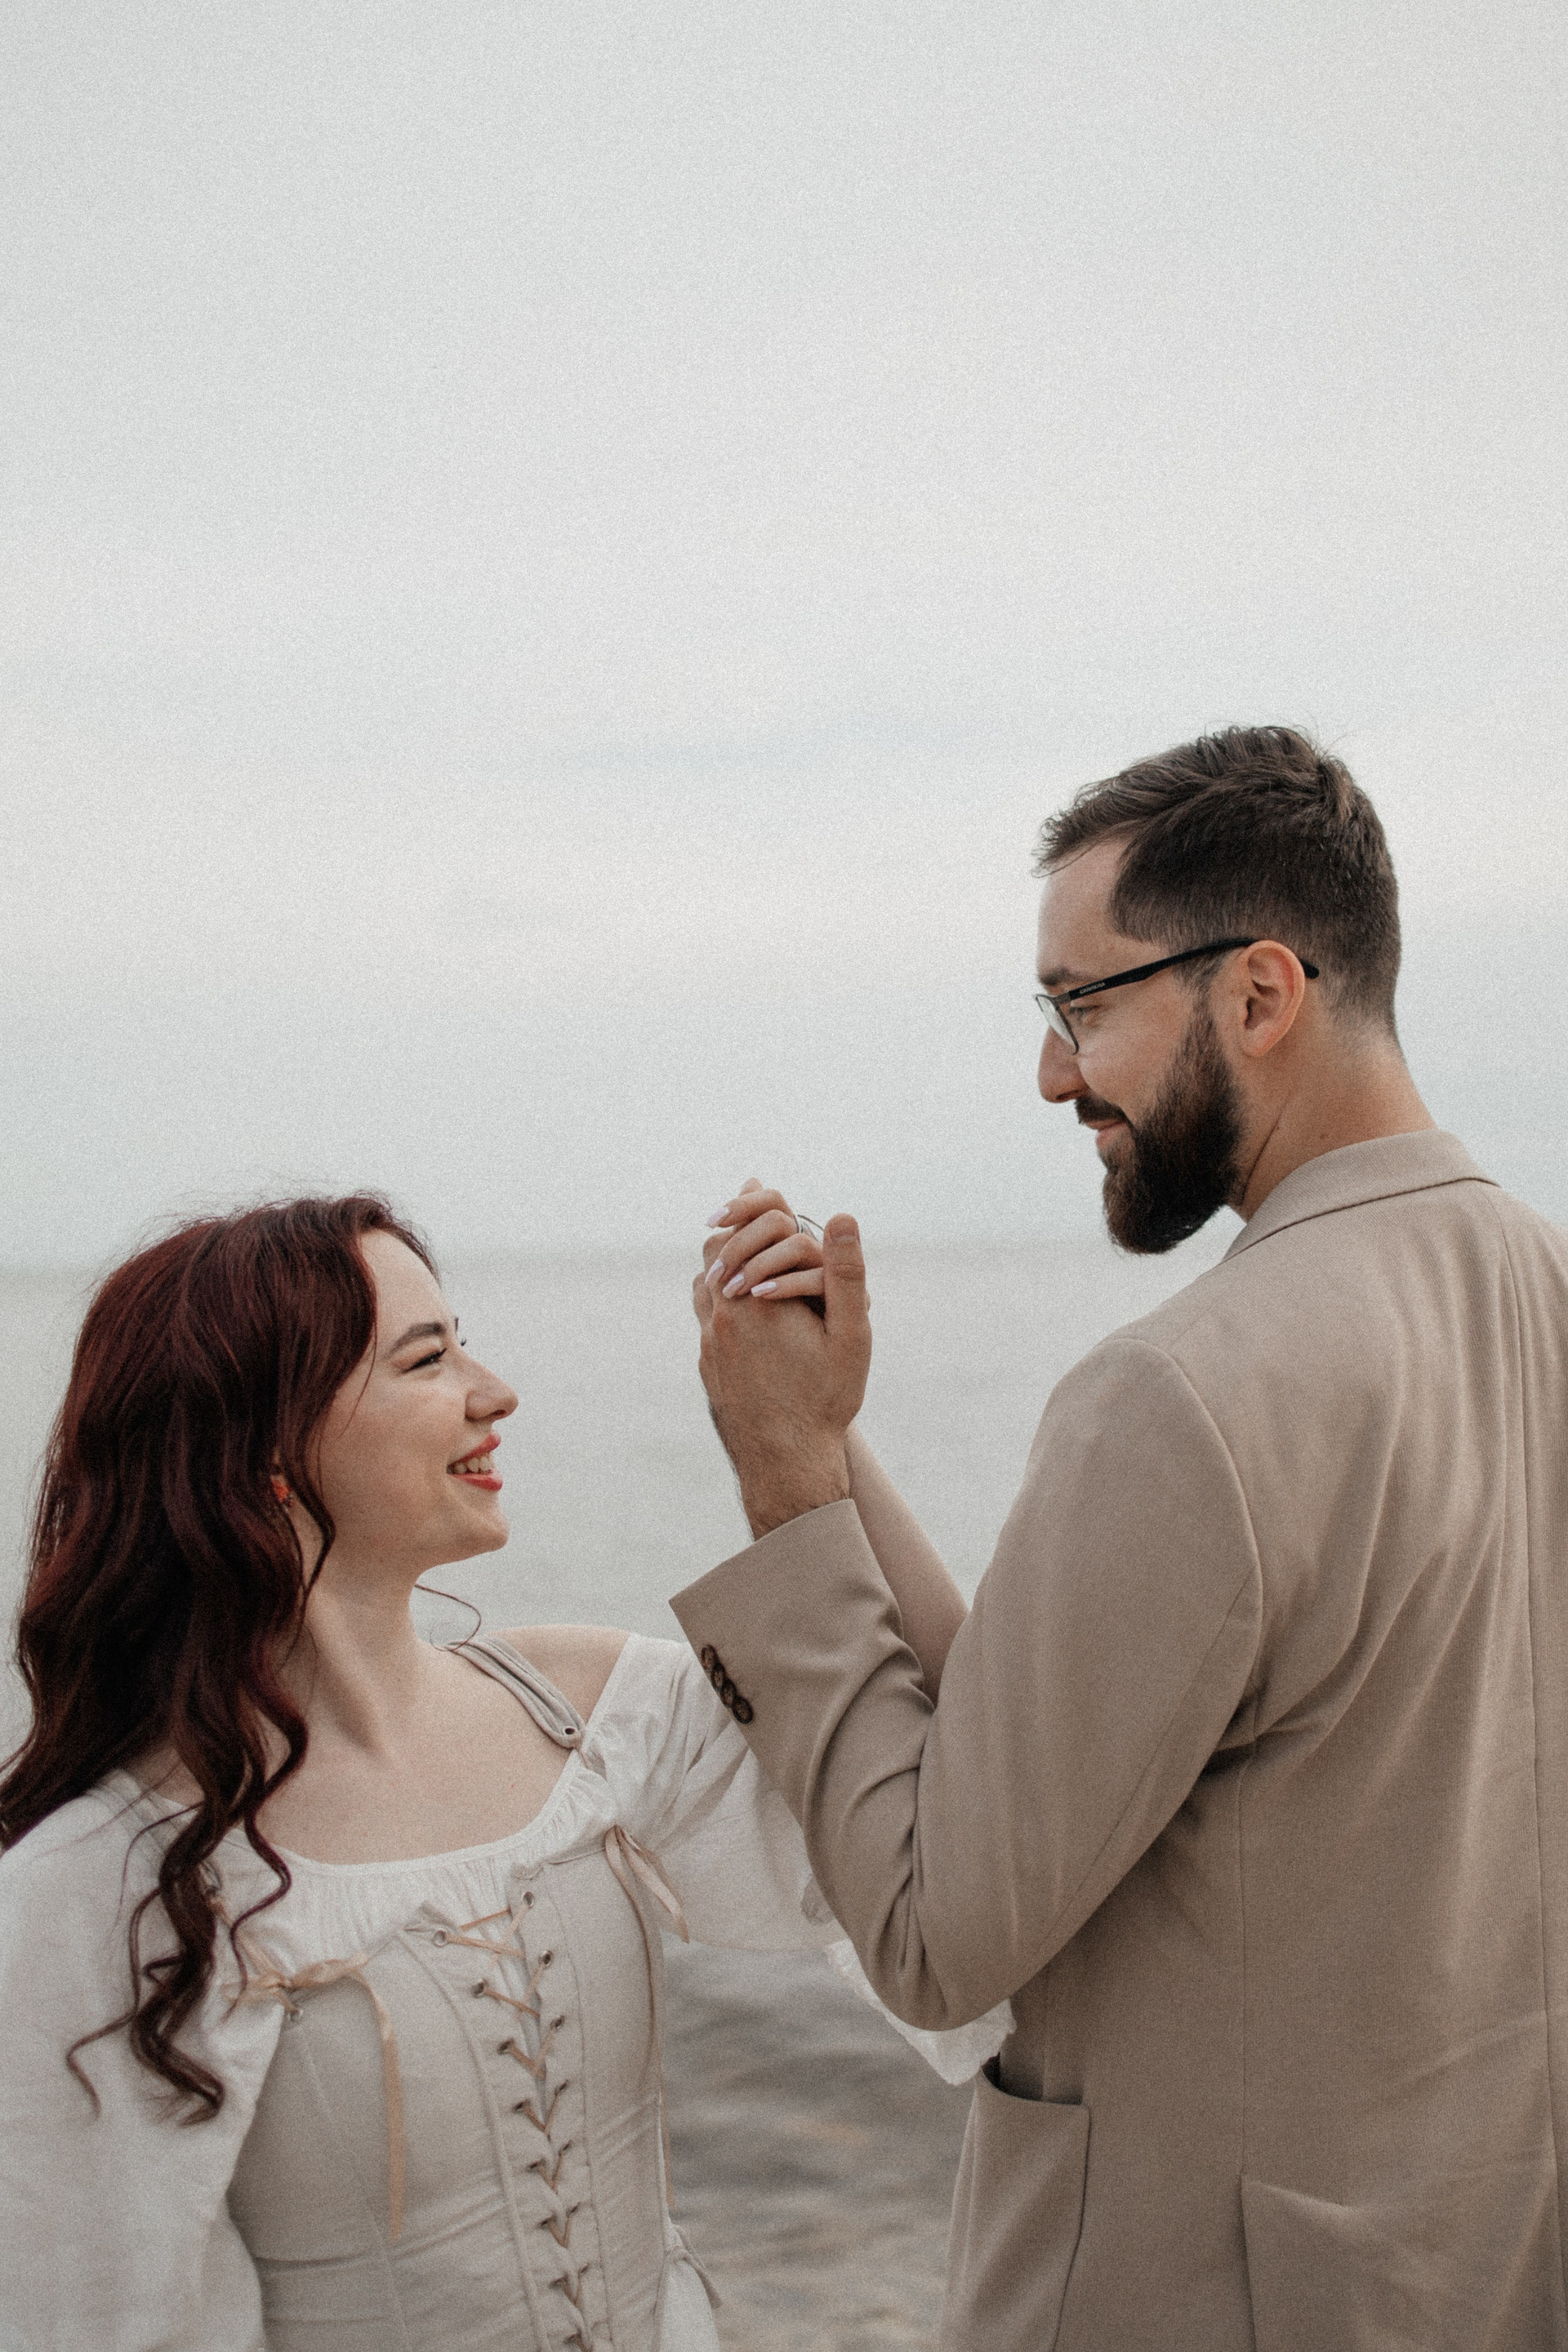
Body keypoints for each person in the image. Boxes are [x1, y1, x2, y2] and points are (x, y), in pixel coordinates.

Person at [675, 725, 1568, 2350]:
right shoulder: (1539, 1290)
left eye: (1082, 1006)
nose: (1051, 1073)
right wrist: (833, 1442)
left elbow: (938, 1932)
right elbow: (1047, 1756)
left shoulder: (1182, 1390)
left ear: (1261, 994)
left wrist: (784, 1484)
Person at [0, 1193, 1004, 2352]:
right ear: (266, 1448)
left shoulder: (597, 1718)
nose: (496, 1392)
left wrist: (811, 1436)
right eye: (428, 1359)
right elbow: (87, 2314)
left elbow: (957, 1810)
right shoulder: (103, 1884)